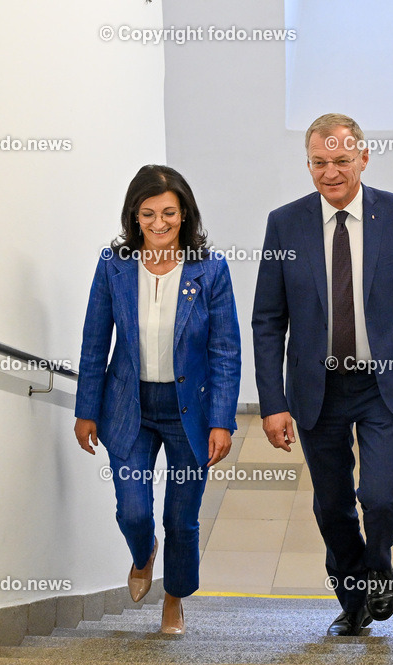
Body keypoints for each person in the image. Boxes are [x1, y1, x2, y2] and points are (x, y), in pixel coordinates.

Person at [252, 113, 393, 636]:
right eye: (320, 162)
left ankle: (377, 564)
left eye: (341, 160)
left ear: (363, 157)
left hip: (384, 384)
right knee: (332, 505)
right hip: (318, 390)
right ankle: (353, 596)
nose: (331, 172)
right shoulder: (285, 223)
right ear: (308, 164)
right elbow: (269, 320)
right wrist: (272, 402)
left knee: (380, 498)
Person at [74, 164, 242, 635]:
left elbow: (225, 349)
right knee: (133, 510)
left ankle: (175, 599)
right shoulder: (115, 266)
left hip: (191, 412)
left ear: (184, 213)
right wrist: (86, 410)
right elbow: (94, 342)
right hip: (128, 409)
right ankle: (143, 552)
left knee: (181, 519)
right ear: (135, 215)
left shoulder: (210, 270)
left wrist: (222, 420)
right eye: (148, 214)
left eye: (169, 212)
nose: (160, 222)